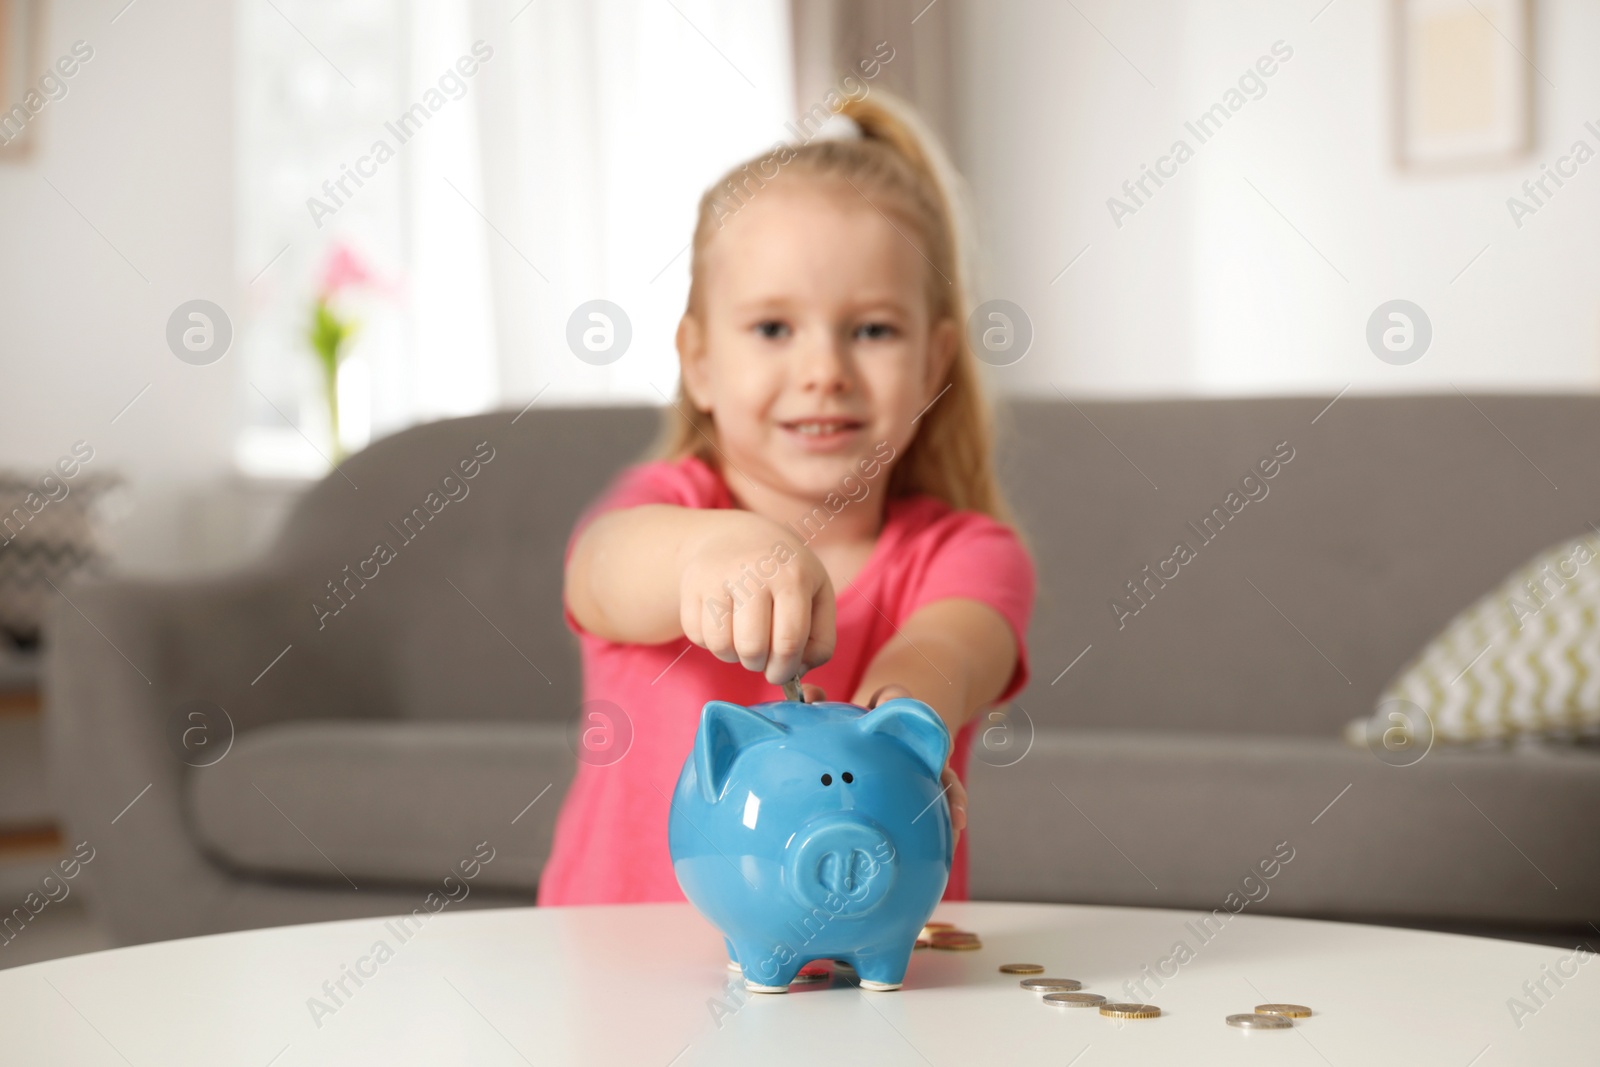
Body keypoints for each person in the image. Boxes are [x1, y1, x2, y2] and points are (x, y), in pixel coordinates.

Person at [538, 90, 1036, 906]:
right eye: (773, 329)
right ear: (697, 360)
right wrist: (707, 550)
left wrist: (901, 727)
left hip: (872, 1000)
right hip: (619, 976)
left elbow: (949, 652)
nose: (823, 371)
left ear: (934, 362)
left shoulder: (970, 553)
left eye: (872, 330)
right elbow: (599, 569)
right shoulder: (663, 506)